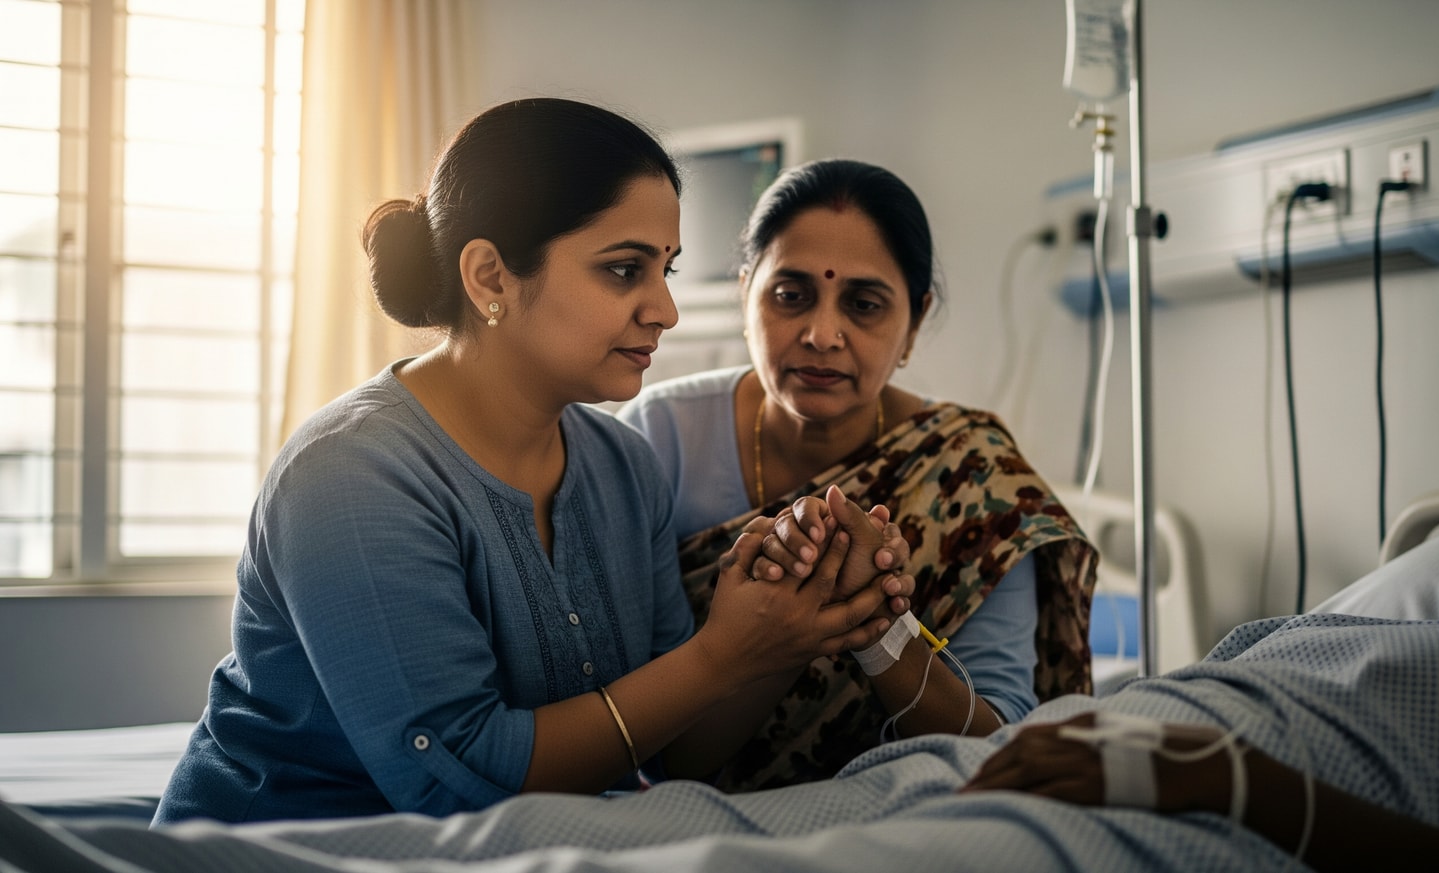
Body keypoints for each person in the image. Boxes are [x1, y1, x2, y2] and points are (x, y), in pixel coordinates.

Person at [13, 486, 1439, 871]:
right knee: (504, 840)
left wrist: (1212, 780)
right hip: (1010, 764)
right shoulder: (671, 455)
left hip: (1166, 821)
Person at [152, 98, 914, 825]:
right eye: (624, 269)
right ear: (489, 277)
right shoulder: (350, 477)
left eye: (667, 271)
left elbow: (673, 753)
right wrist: (718, 655)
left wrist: (788, 626)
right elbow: (458, 781)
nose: (664, 309)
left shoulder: (623, 465)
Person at [618, 158, 1099, 792]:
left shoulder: (976, 475)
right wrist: (783, 624)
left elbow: (998, 742)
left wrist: (876, 628)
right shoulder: (657, 440)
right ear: (745, 297)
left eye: (864, 304)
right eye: (790, 296)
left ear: (915, 322)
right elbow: (652, 745)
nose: (822, 334)